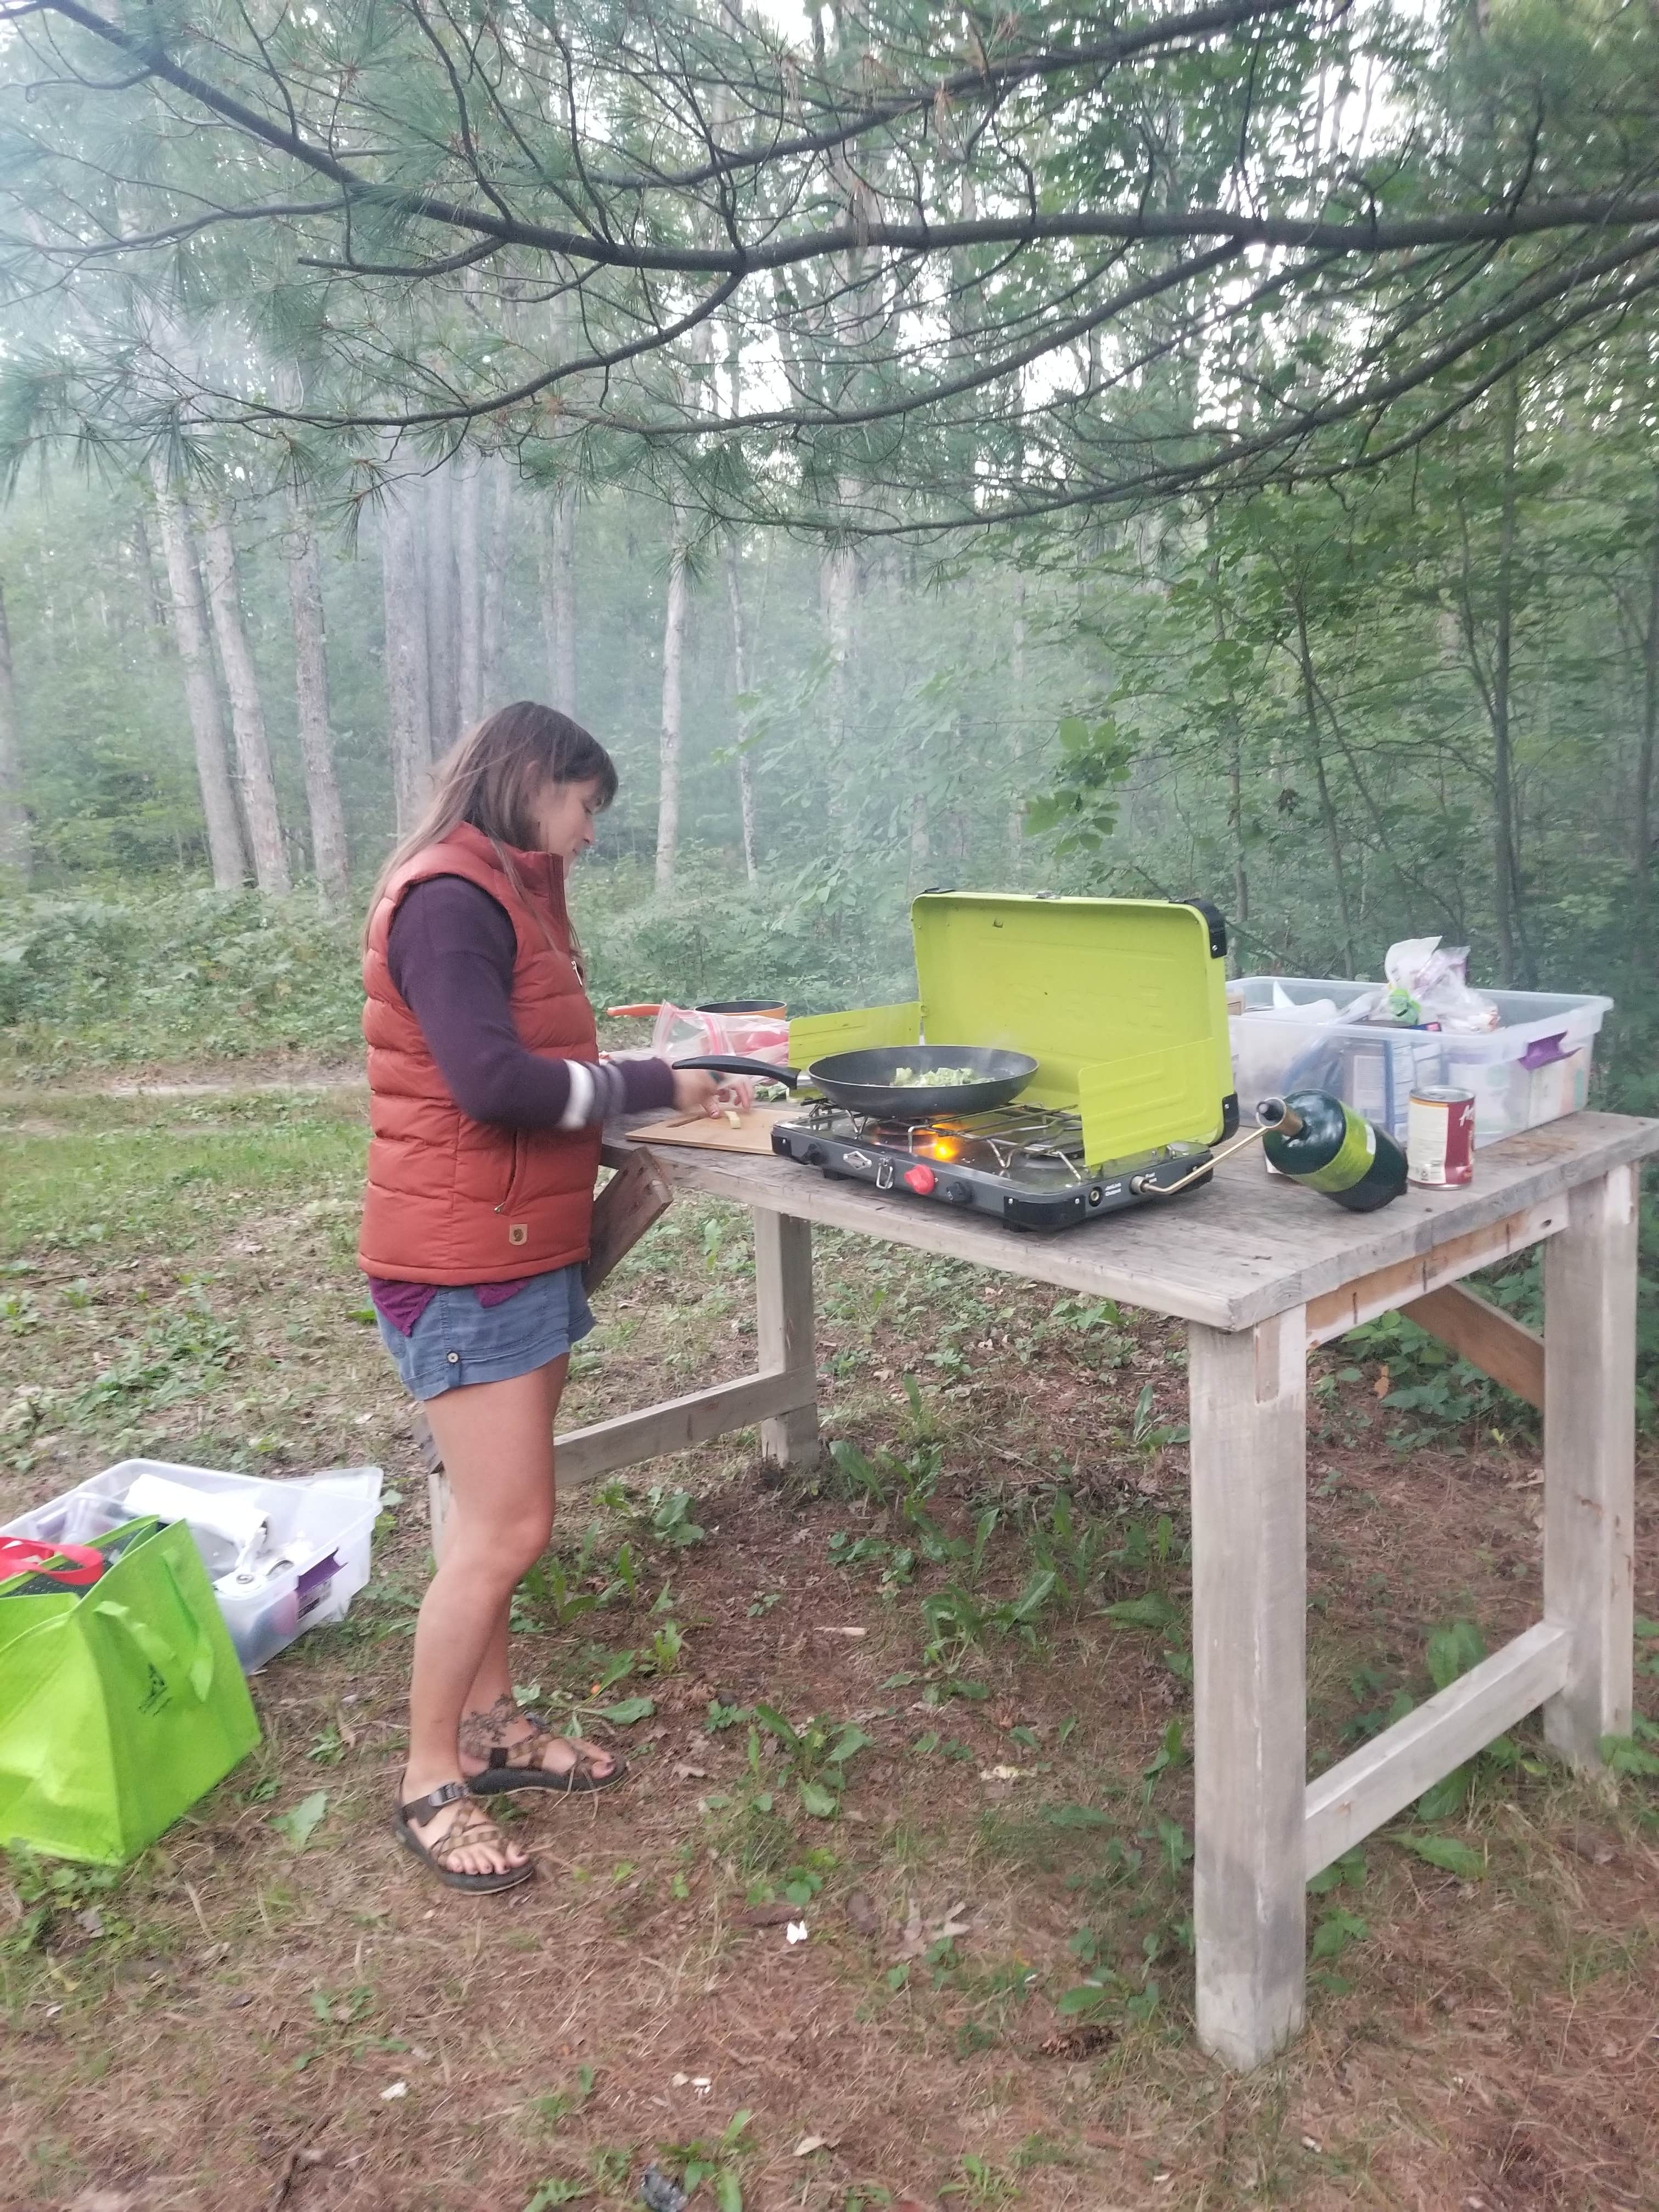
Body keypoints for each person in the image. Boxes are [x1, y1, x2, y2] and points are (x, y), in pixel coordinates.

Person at [360, 702, 735, 1892]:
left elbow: (536, 1068)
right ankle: (429, 1777)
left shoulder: (503, 893)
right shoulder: (449, 902)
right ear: (537, 782)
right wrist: (655, 1077)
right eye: (585, 808)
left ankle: (495, 1730)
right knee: (507, 1527)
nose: (586, 834)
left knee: (494, 1521)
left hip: (515, 1242)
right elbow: (493, 1082)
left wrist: (629, 1105)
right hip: (463, 1261)